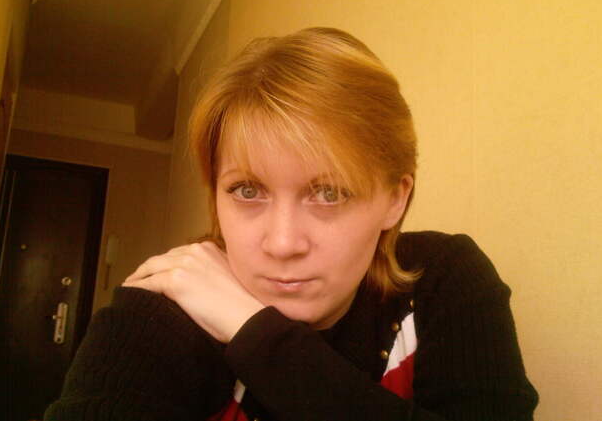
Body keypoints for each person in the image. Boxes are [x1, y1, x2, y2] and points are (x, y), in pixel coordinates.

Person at [45, 27, 538, 421]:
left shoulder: (442, 279)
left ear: (395, 198)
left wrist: (255, 334)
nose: (282, 244)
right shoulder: (164, 308)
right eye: (247, 190)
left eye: (329, 193)